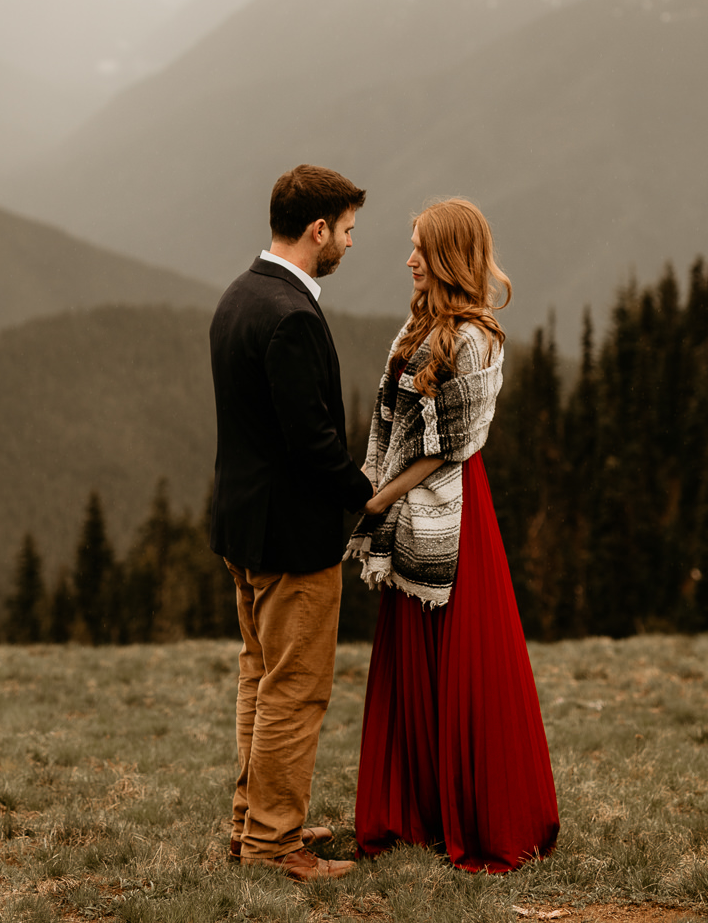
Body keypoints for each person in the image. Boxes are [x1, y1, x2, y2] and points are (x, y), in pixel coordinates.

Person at [344, 198, 559, 872]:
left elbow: (449, 447)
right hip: (408, 506)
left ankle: (478, 815)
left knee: (461, 659)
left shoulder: (472, 338)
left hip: (451, 512)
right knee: (413, 657)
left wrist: (375, 499)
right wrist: (366, 487)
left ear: (446, 257)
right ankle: (417, 812)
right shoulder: (419, 331)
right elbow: (393, 428)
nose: (407, 259)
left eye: (418, 248)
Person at [208, 164, 374, 882]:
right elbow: (312, 443)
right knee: (294, 689)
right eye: (345, 231)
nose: (347, 244)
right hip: (289, 535)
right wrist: (367, 492)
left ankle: (254, 825)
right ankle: (276, 845)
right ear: (317, 230)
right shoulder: (293, 316)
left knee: (259, 677)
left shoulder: (240, 295)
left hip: (242, 525)